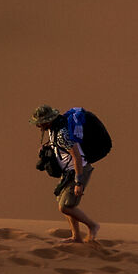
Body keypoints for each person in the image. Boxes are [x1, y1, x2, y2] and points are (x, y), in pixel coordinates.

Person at [33, 103, 99, 245]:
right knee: (65, 205)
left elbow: (77, 157)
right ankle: (76, 237)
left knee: (65, 206)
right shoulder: (52, 130)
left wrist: (78, 182)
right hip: (68, 172)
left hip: (78, 170)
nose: (38, 126)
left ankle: (92, 225)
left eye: (40, 123)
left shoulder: (63, 133)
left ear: (48, 121)